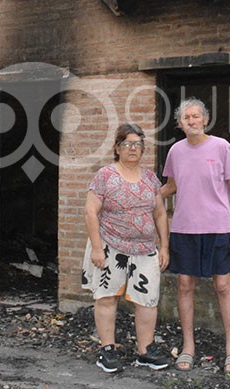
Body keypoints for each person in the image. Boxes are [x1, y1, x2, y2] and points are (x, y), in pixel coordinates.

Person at [161, 98, 230, 374]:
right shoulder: (175, 151)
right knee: (184, 284)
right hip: (184, 228)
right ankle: (188, 347)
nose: (192, 121)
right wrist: (144, 196)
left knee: (222, 285)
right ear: (180, 123)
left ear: (205, 119)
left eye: (196, 116)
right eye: (186, 118)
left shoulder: (222, 147)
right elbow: (171, 186)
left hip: (219, 227)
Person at [81, 123, 171, 373]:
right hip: (111, 246)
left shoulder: (151, 178)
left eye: (138, 144)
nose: (133, 148)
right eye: (127, 144)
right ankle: (107, 350)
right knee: (107, 298)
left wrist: (164, 247)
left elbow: (160, 214)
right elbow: (90, 212)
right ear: (117, 148)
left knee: (147, 300)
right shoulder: (105, 176)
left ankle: (145, 351)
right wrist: (97, 248)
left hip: (145, 250)